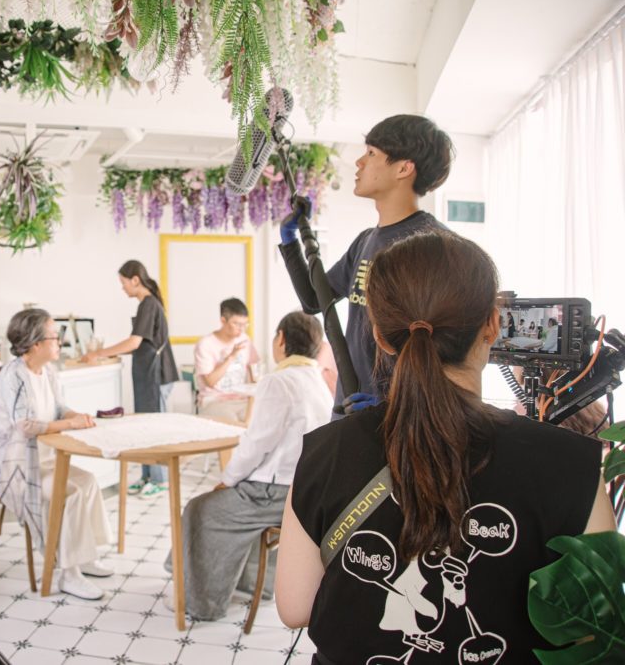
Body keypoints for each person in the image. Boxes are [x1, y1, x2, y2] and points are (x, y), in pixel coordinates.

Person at [275, 232, 615, 663]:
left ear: (379, 336)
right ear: (493, 324)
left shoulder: (324, 451)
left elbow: (295, 607)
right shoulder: (573, 465)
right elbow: (593, 633)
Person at [280, 115, 453, 413]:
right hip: (350, 406)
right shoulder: (365, 241)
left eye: (371, 153)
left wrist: (396, 405)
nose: (359, 162)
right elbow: (313, 300)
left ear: (403, 168)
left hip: (399, 418)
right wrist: (290, 240)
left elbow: (445, 346)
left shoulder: (435, 246)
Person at [168, 311, 332, 620]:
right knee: (215, 504)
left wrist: (227, 479)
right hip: (305, 491)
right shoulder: (319, 381)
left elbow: (257, 443)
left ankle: (200, 602)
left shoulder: (279, 381)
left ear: (281, 339)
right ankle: (251, 585)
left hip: (272, 492)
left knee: (200, 509)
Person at [0, 309, 115, 600]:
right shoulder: (13, 375)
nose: (60, 342)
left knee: (88, 482)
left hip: (40, 459)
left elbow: (58, 408)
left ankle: (84, 556)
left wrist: (75, 415)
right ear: (35, 344)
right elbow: (24, 425)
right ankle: (69, 573)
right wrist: (70, 424)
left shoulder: (48, 372)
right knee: (71, 493)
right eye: (55, 336)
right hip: (11, 467)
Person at [81, 260, 180, 496]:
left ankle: (161, 480)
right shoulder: (147, 304)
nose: (123, 288)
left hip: (156, 376)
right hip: (147, 376)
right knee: (144, 425)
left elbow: (134, 342)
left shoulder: (148, 304)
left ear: (135, 279)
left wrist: (98, 353)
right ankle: (148, 476)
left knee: (154, 427)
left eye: (124, 283)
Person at [193, 297, 260, 423]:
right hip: (214, 400)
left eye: (245, 324)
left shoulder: (245, 340)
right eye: (237, 324)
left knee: (261, 417)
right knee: (232, 422)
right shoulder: (205, 344)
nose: (241, 329)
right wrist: (231, 357)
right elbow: (210, 382)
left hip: (241, 400)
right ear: (223, 321)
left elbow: (254, 375)